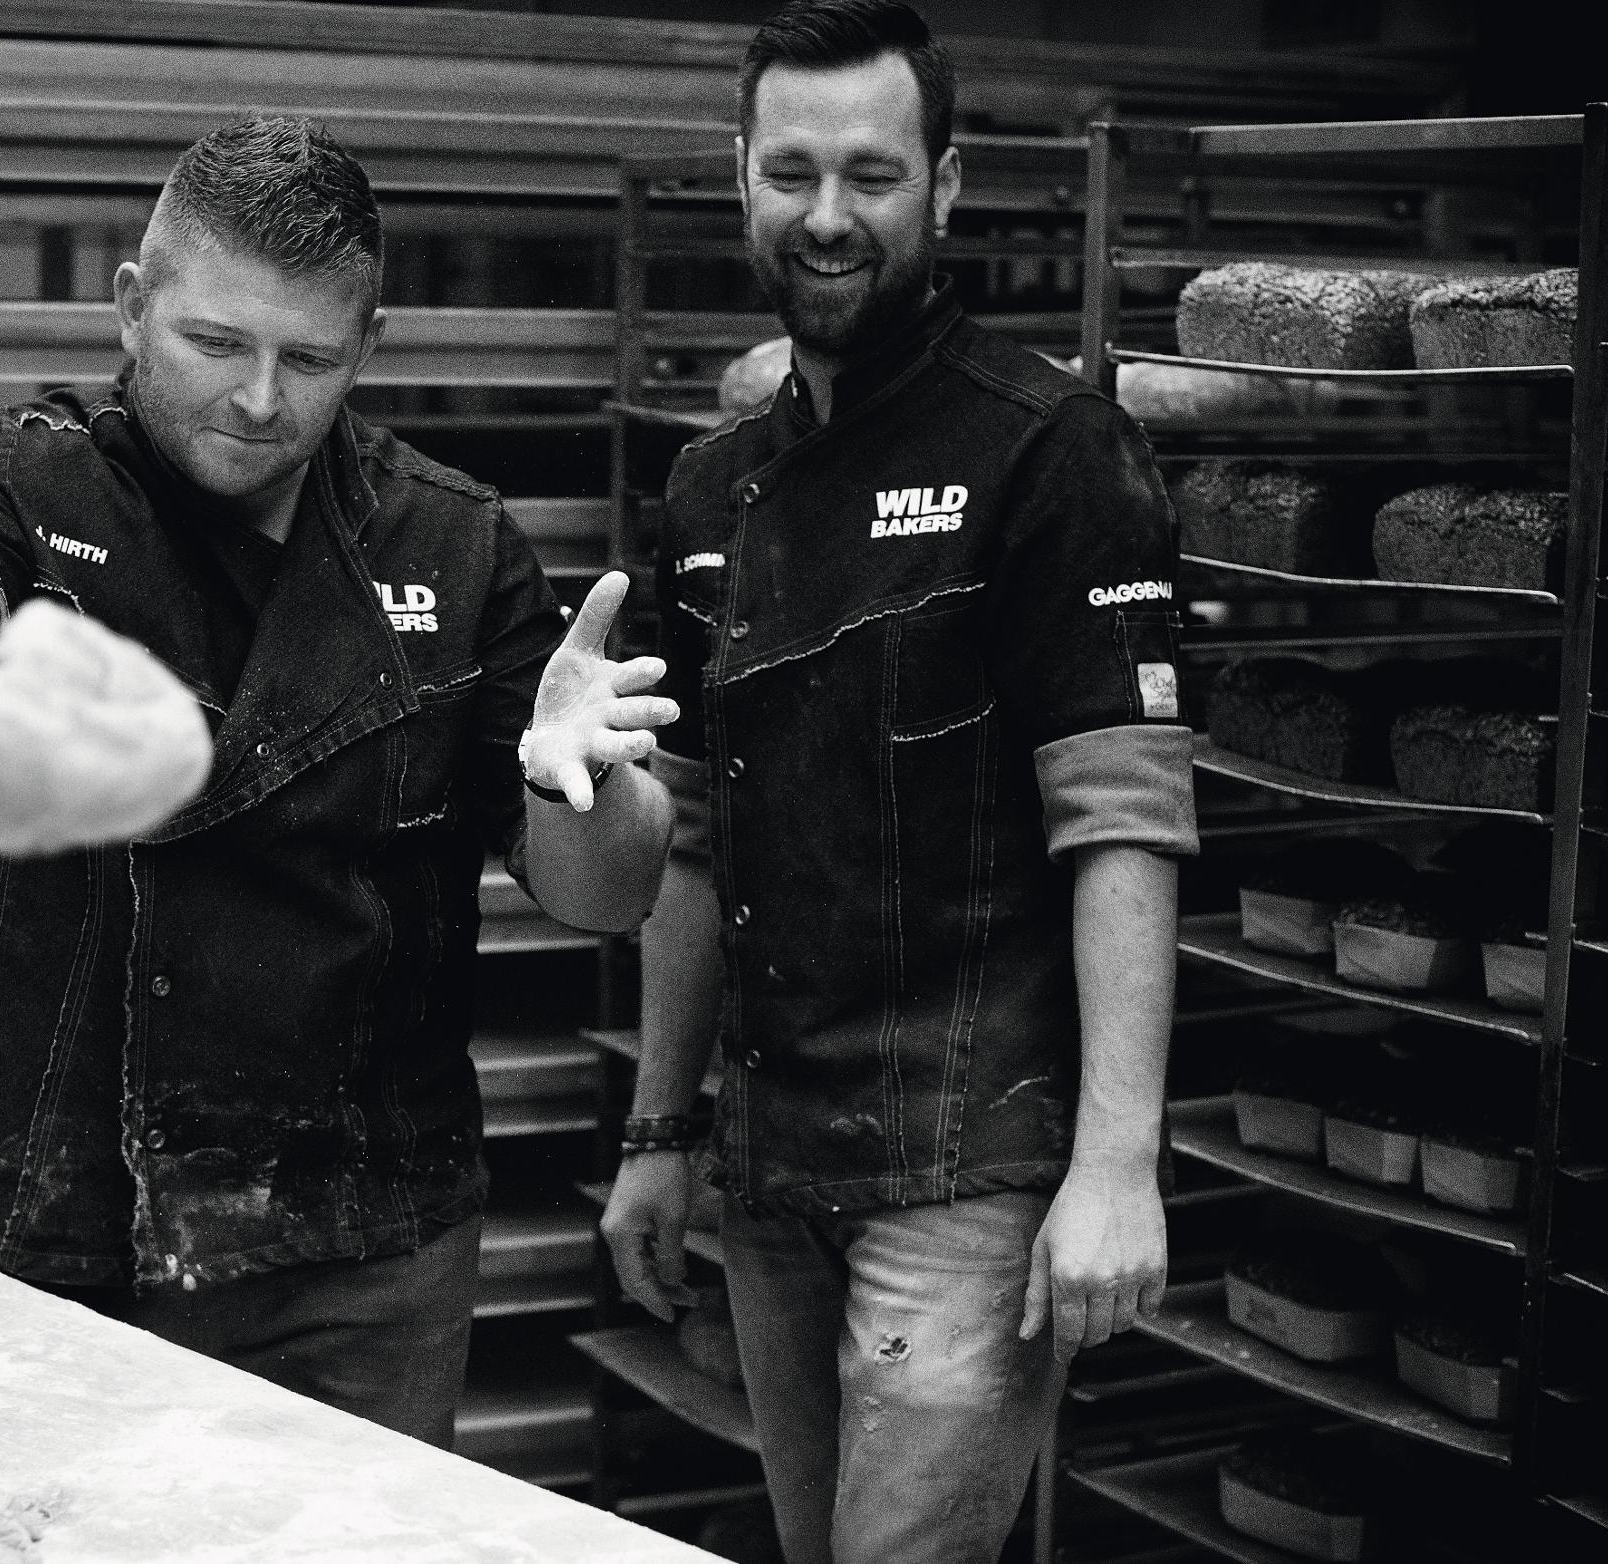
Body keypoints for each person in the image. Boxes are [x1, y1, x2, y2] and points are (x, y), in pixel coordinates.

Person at [0, 115, 678, 1448]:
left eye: (308, 359)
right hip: (55, 1228)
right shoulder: (24, 481)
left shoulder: (457, 544)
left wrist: (580, 783)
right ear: (132, 306)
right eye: (215, 343)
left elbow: (607, 894)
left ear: (370, 345)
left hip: (366, 1257)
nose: (258, 399)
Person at [597, 3, 1198, 1559]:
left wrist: (1116, 1163)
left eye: (871, 174)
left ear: (948, 182)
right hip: (771, 1165)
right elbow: (695, 842)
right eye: (790, 172)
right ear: (739, 173)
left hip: (966, 1174)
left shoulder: (1052, 450)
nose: (826, 216)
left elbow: (1124, 821)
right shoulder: (710, 489)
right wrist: (660, 1131)